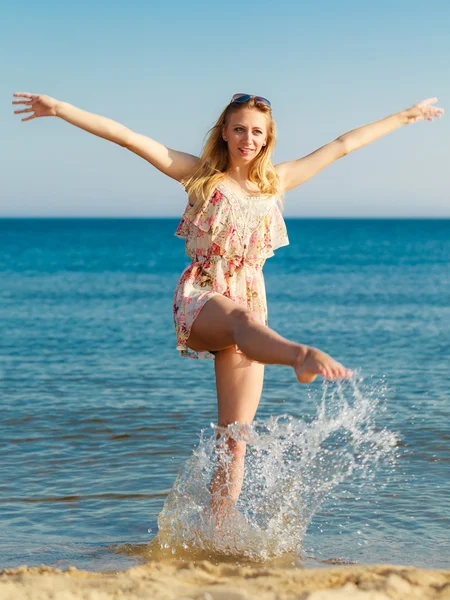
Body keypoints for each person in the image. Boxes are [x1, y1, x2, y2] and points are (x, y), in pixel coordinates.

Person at [12, 91, 443, 517]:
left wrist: (406, 116)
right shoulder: (201, 175)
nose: (247, 138)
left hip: (251, 310)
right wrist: (60, 109)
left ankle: (219, 530)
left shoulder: (277, 182)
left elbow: (342, 146)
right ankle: (301, 355)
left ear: (267, 137)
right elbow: (128, 137)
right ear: (224, 131)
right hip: (202, 296)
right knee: (240, 320)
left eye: (257, 131)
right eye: (239, 128)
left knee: (235, 437)